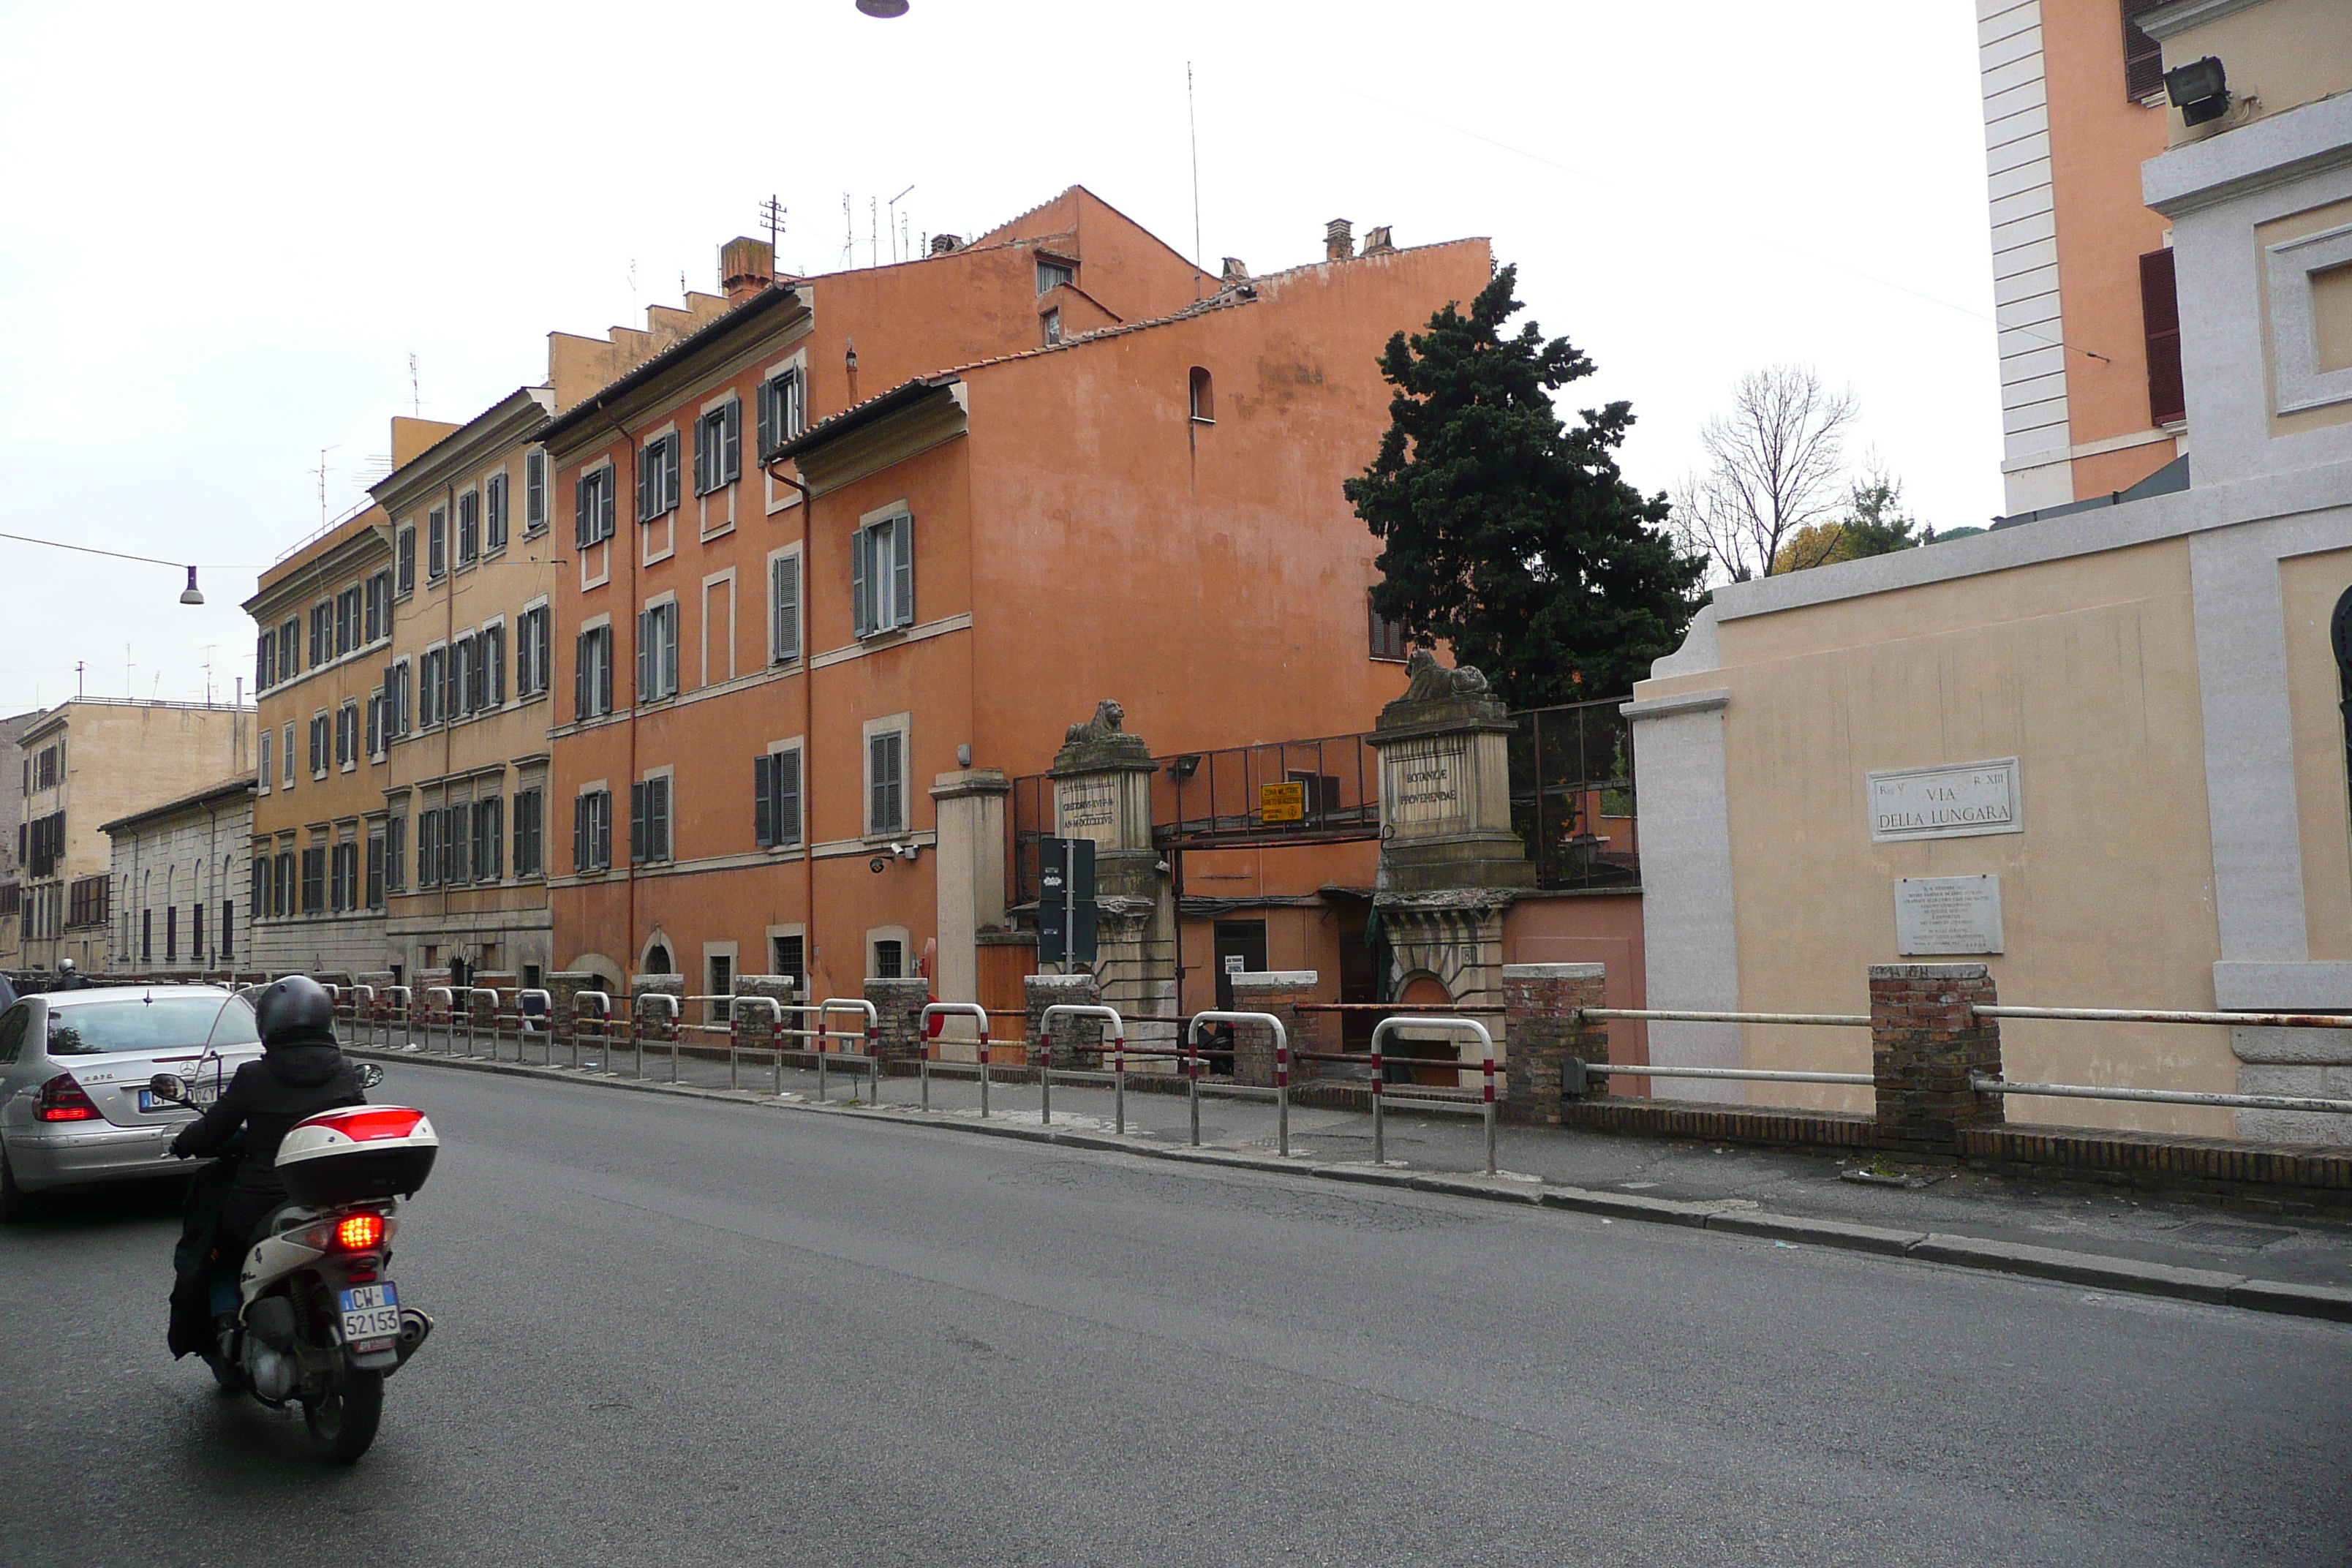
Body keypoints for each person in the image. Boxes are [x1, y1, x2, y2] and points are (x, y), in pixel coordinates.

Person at [167, 976, 367, 1359]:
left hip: (261, 1206)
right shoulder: (345, 1071)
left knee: (219, 1251)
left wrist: (183, 1143)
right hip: (333, 1201)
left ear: (269, 1023)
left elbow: (211, 1133)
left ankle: (226, 1321)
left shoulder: (253, 1076)